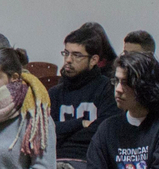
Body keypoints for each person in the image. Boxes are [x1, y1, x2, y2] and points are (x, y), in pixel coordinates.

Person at [50, 26, 119, 161]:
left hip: (92, 161)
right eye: (66, 53)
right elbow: (46, 132)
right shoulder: (55, 93)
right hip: (57, 160)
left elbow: (103, 132)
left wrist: (62, 131)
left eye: (77, 55)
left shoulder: (107, 89)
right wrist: (80, 124)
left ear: (93, 60)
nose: (68, 60)